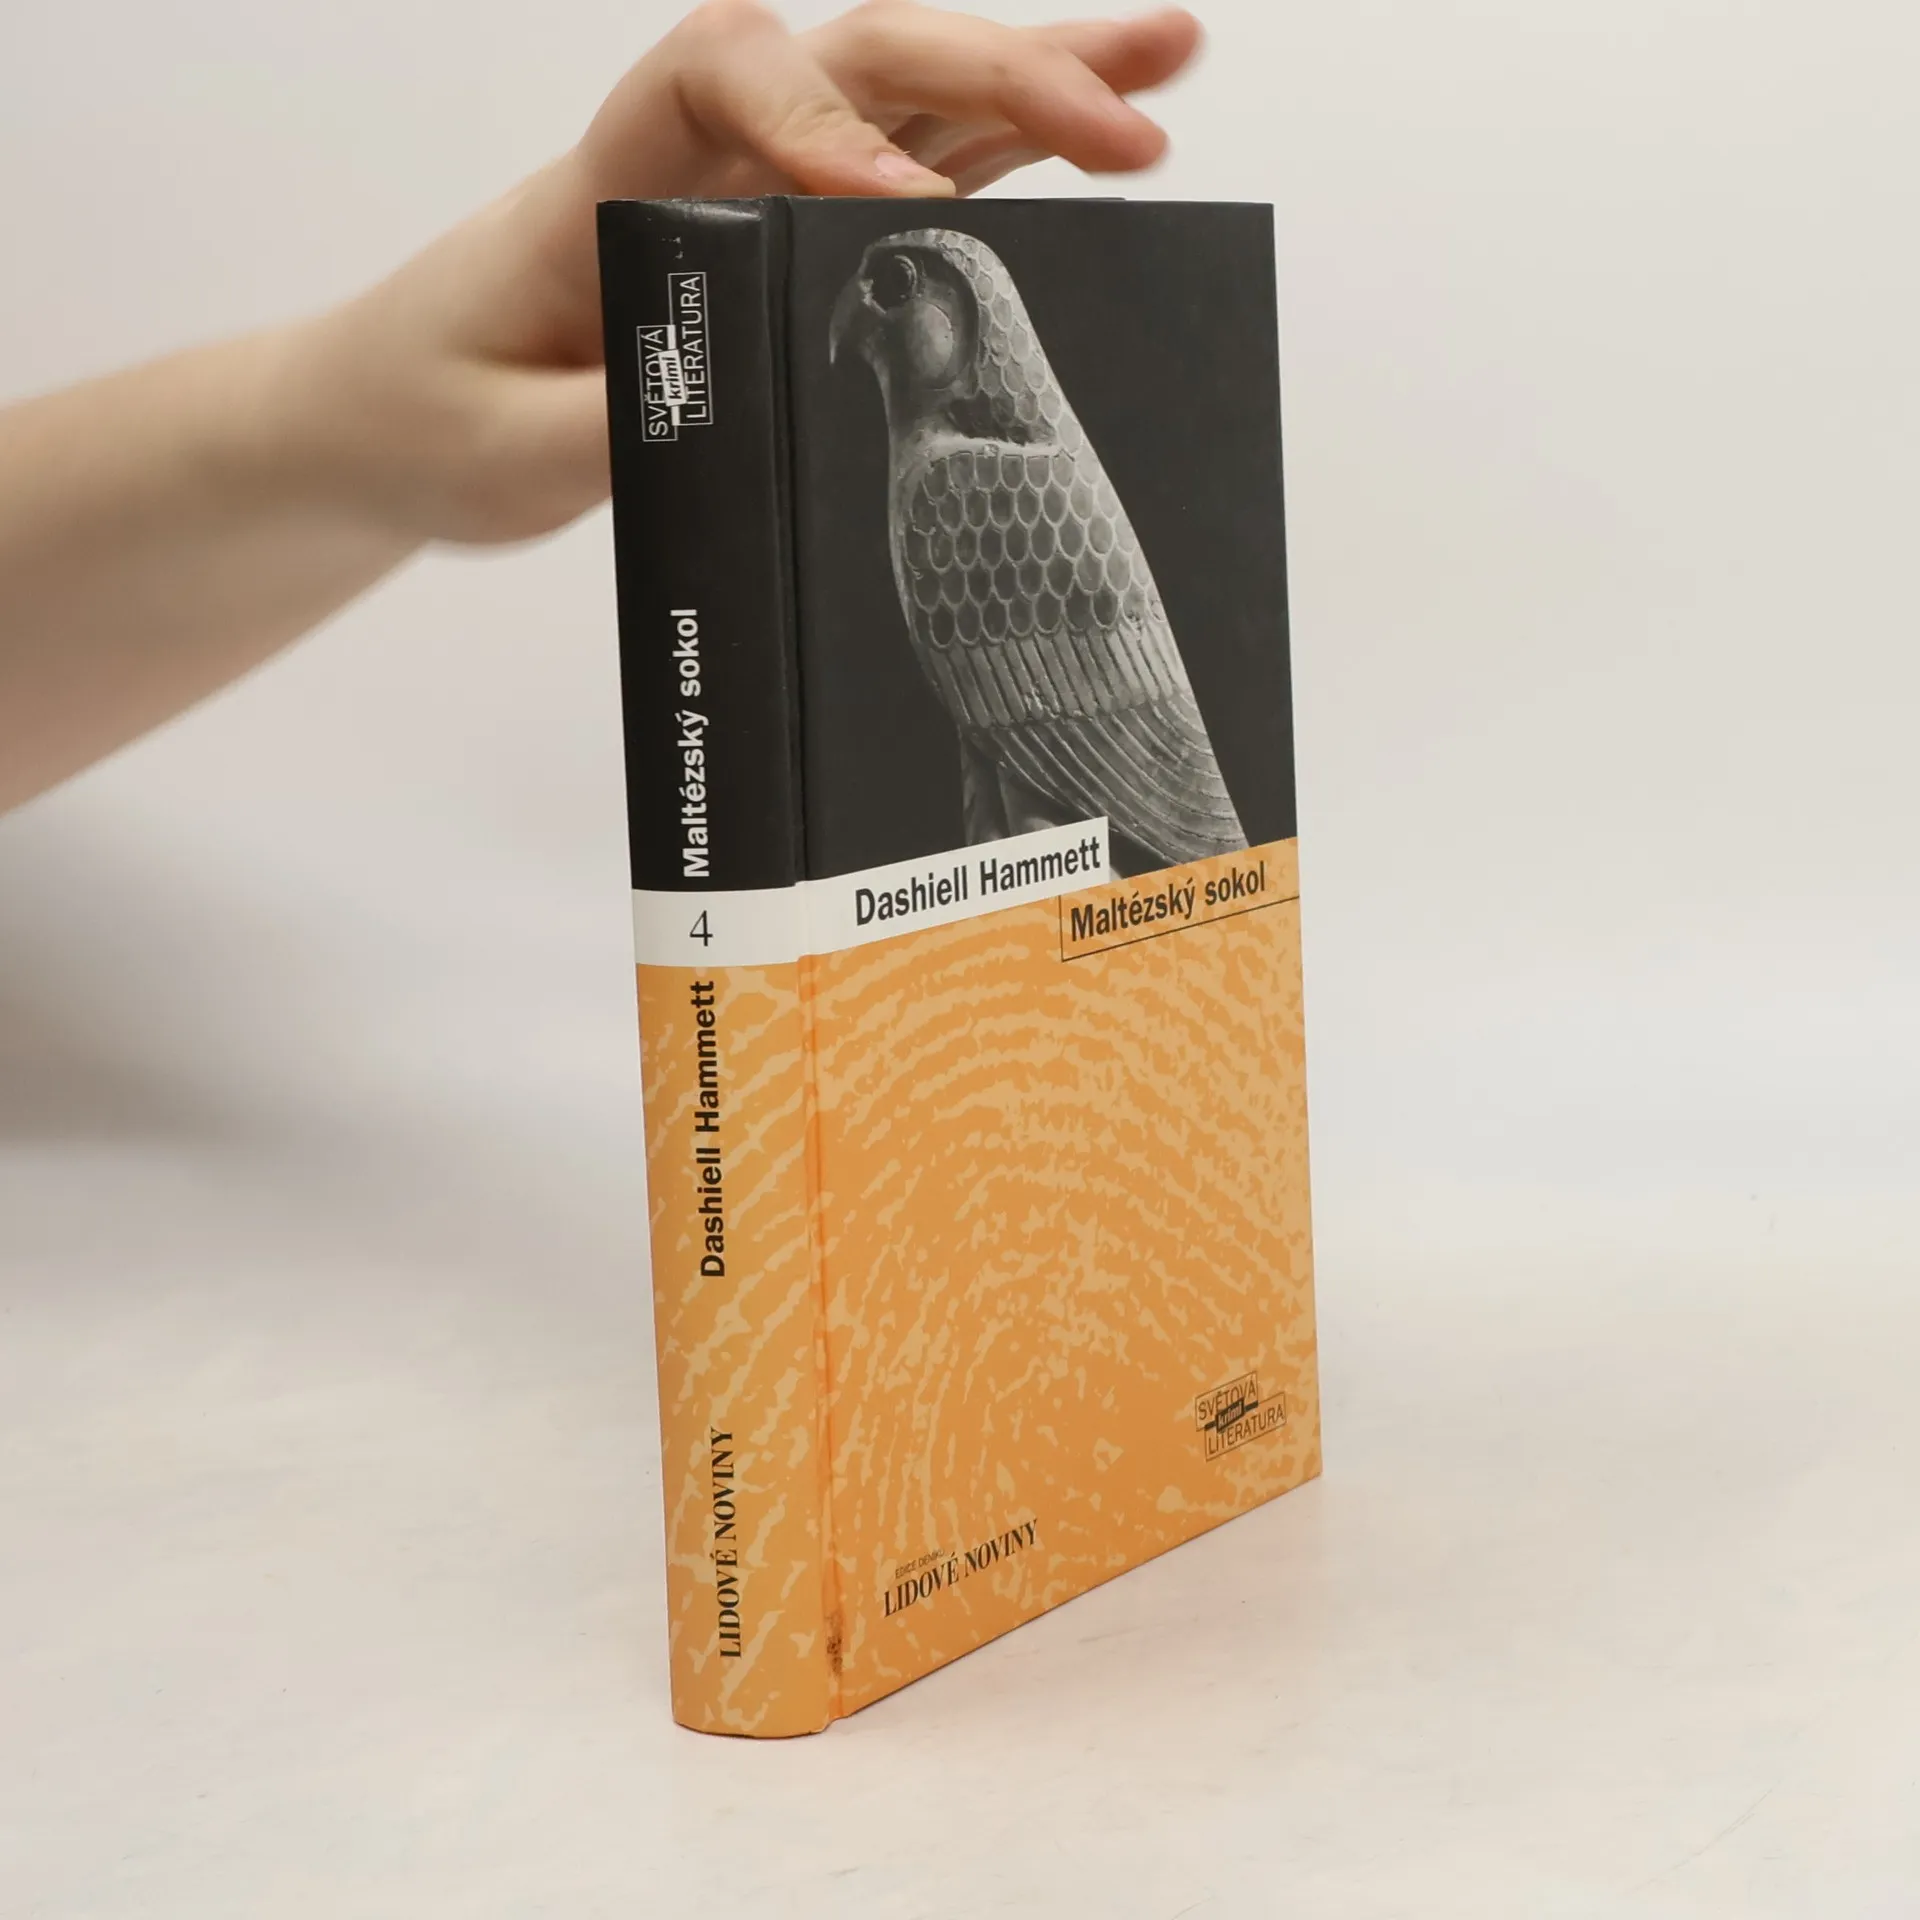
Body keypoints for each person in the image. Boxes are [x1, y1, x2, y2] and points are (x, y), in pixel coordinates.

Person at [0, 0, 1200, 817]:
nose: (861, 313)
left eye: (897, 291)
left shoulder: (969, 477)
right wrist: (349, 427)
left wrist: (344, 418)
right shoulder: (955, 467)